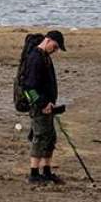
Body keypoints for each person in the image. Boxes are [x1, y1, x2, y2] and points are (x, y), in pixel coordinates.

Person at [21, 30, 67, 185]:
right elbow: (29, 87)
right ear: (48, 40)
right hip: (39, 107)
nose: (55, 50)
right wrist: (42, 104)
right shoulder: (35, 58)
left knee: (50, 137)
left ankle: (46, 171)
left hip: (48, 105)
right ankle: (34, 173)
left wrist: (51, 103)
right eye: (55, 46)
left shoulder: (44, 57)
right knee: (40, 137)